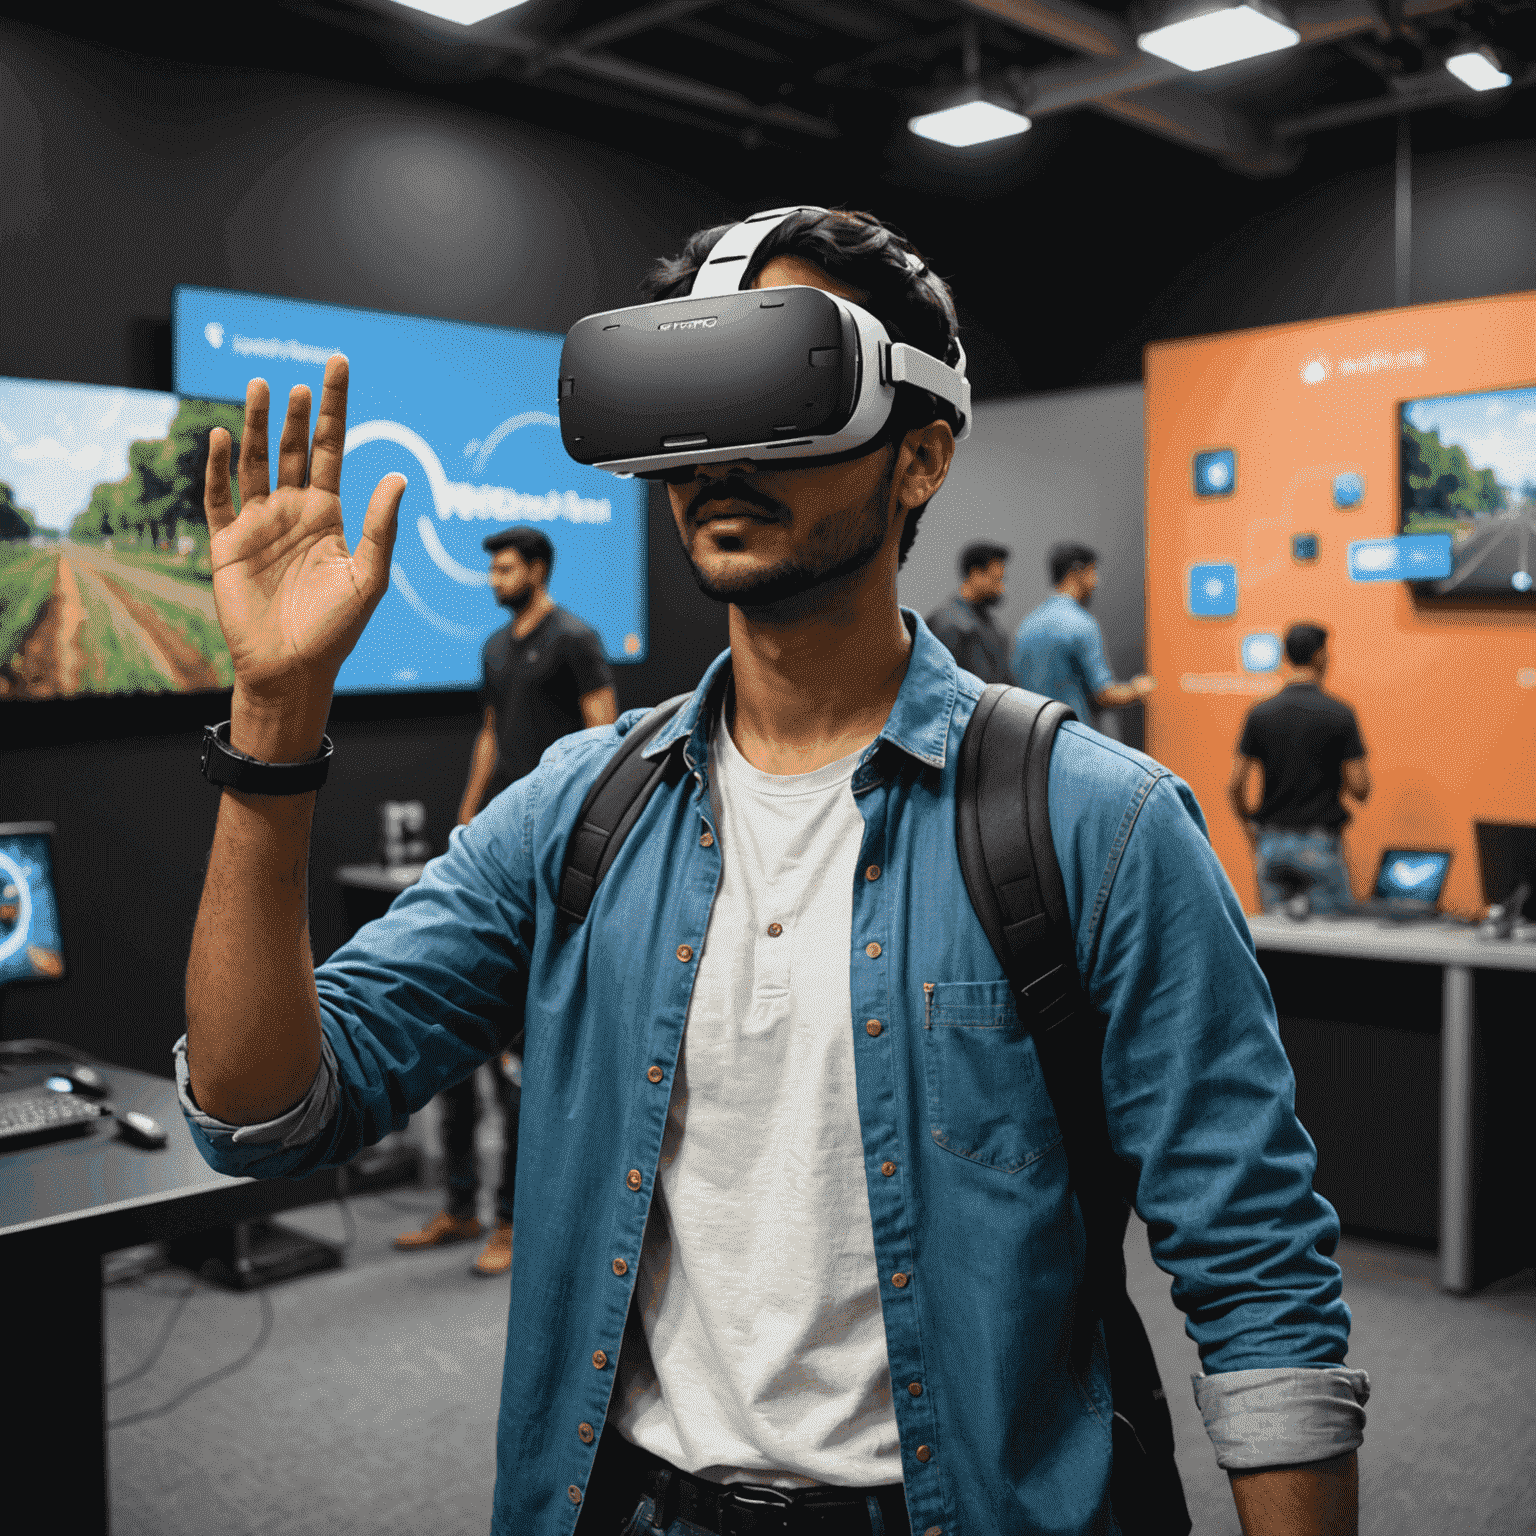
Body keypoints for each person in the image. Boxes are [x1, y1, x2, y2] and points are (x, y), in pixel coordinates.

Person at [180, 207, 1365, 1536]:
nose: (720, 462)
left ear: (921, 455)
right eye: (685, 409)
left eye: (777, 396)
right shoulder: (579, 809)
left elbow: (1259, 1273)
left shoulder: (1099, 824)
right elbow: (263, 1110)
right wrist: (274, 714)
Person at [394, 525, 618, 1275]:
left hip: (553, 863)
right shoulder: (493, 648)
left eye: (506, 568)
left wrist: (588, 839)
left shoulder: (576, 640)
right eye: (491, 569)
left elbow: (604, 742)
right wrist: (466, 820)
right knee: (460, 1046)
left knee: (522, 1061)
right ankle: (460, 1207)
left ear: (539, 570)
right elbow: (490, 735)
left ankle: (515, 1223)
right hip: (497, 854)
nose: (494, 579)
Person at [1229, 622, 1369, 916]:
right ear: (1320, 656)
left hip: (1271, 843)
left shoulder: (1260, 713)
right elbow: (1360, 788)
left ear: (1286, 656)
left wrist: (1251, 829)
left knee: (1278, 940)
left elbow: (1236, 785)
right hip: (1320, 842)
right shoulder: (1340, 714)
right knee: (1330, 937)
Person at [1010, 541, 1156, 728]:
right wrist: (1139, 689)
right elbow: (1104, 695)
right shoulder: (1082, 623)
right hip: (1073, 734)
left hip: (1034, 734)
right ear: (1077, 572)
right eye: (1092, 572)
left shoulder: (1027, 625)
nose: (1096, 581)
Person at [922, 540, 1012, 683]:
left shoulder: (991, 626)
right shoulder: (947, 626)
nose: (1001, 588)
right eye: (996, 580)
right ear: (976, 575)